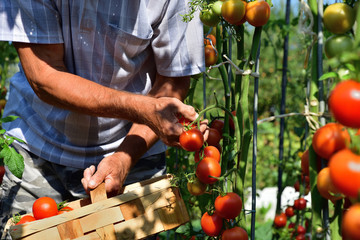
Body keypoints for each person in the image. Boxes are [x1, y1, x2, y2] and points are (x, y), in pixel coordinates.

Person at [0, 0, 205, 238]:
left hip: (134, 145)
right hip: (38, 148)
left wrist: (125, 157)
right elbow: (43, 76)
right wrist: (141, 107)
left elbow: (173, 80)